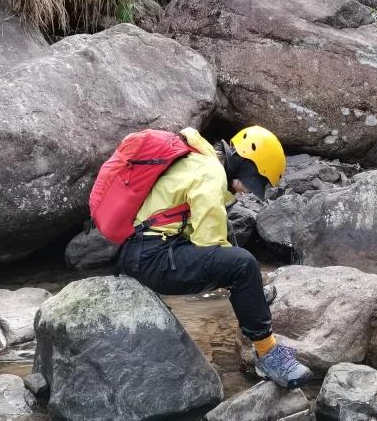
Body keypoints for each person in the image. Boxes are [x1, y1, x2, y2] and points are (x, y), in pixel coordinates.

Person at [115, 125, 313, 390]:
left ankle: (252, 298)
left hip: (142, 253)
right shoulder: (210, 175)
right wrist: (244, 277)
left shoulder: (202, 161)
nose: (248, 192)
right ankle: (267, 354)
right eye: (255, 183)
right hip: (152, 259)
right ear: (246, 168)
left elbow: (210, 233)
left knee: (231, 241)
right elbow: (208, 242)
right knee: (241, 265)